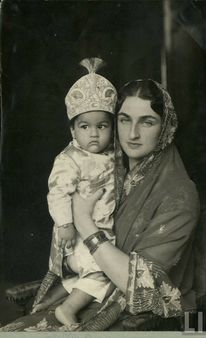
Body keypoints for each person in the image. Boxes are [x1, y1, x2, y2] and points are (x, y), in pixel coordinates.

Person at [0, 79, 200, 332]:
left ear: (166, 128)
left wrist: (84, 221)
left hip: (134, 317)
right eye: (124, 119)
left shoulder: (179, 193)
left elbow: (141, 286)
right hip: (87, 294)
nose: (132, 133)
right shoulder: (113, 172)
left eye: (147, 122)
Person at [31, 57, 117, 325]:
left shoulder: (114, 154)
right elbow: (57, 192)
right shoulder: (70, 159)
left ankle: (53, 299)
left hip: (102, 230)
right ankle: (67, 309)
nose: (94, 134)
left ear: (112, 128)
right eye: (85, 127)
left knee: (103, 269)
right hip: (78, 234)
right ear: (72, 130)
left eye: (101, 126)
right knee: (102, 272)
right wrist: (66, 224)